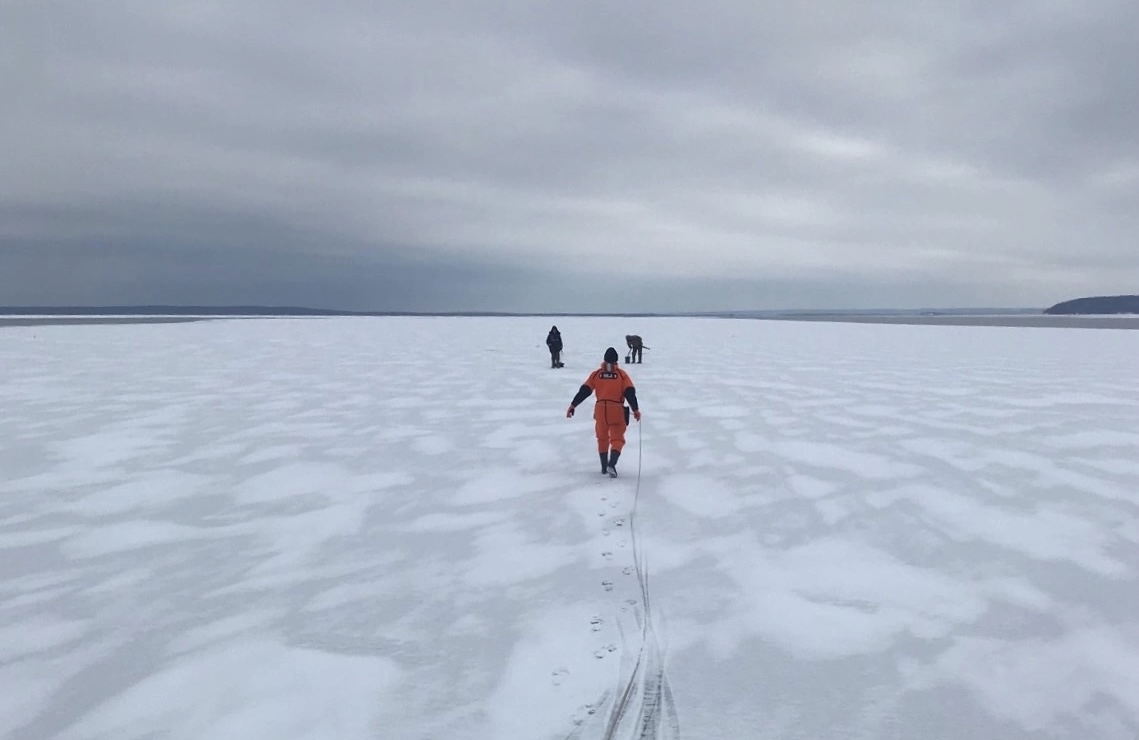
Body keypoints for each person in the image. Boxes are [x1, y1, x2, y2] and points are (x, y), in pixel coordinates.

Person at [566, 347, 641, 477]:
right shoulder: (622, 375)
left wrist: (573, 405)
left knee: (602, 439)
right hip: (616, 409)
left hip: (600, 410)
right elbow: (630, 393)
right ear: (616, 361)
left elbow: (584, 391)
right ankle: (611, 463)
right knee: (617, 439)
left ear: (604, 360)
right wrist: (635, 410)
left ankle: (603, 467)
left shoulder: (596, 374)